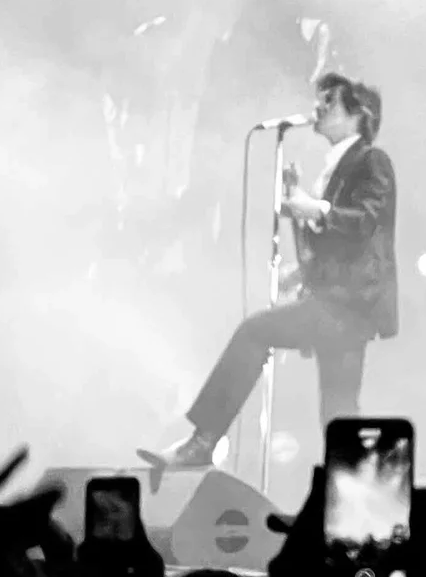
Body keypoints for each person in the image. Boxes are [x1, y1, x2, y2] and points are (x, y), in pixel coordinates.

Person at [141, 70, 396, 469]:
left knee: (254, 333)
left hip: (349, 305)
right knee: (339, 410)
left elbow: (366, 220)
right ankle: (354, 491)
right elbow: (338, 245)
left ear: (357, 114)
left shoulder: (371, 160)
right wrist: (302, 256)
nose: (318, 108)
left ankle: (202, 442)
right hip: (344, 306)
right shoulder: (338, 168)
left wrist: (315, 209)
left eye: (329, 101)